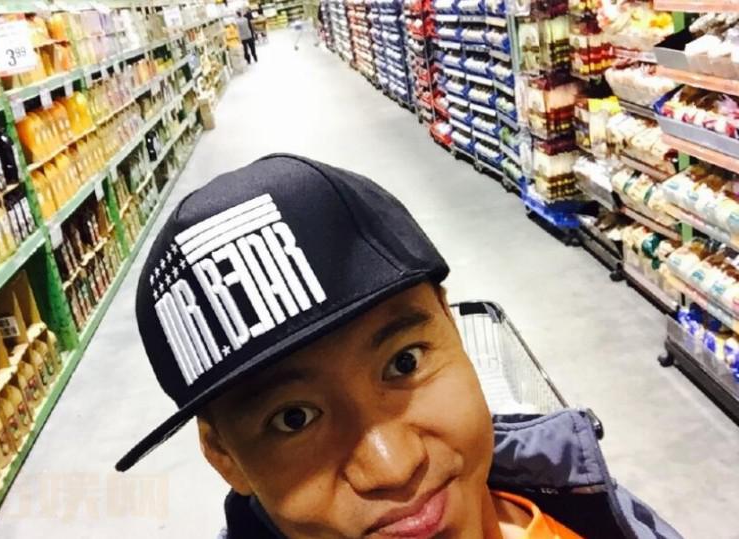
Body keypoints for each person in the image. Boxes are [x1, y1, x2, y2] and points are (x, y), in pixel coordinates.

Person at [116, 154, 681, 539]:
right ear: (224, 457)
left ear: (450, 326)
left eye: (404, 362)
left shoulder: (585, 502)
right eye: (293, 418)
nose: (393, 465)